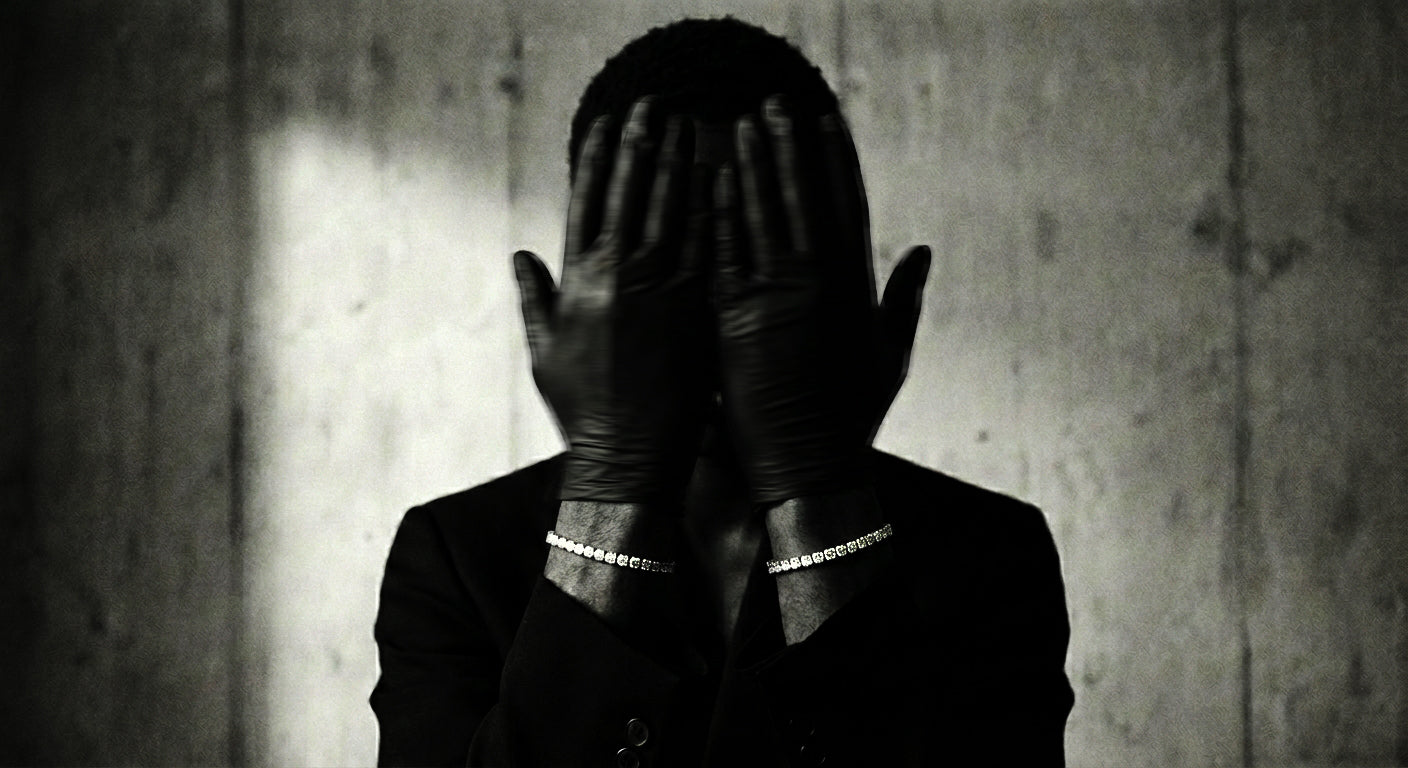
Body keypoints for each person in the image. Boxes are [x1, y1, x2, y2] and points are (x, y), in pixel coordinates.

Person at [371, 17, 1073, 767]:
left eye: (765, 252)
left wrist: (817, 494)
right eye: (661, 254)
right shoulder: (456, 557)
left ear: (844, 276)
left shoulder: (989, 554)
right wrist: (612, 495)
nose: (719, 307)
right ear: (584, 286)